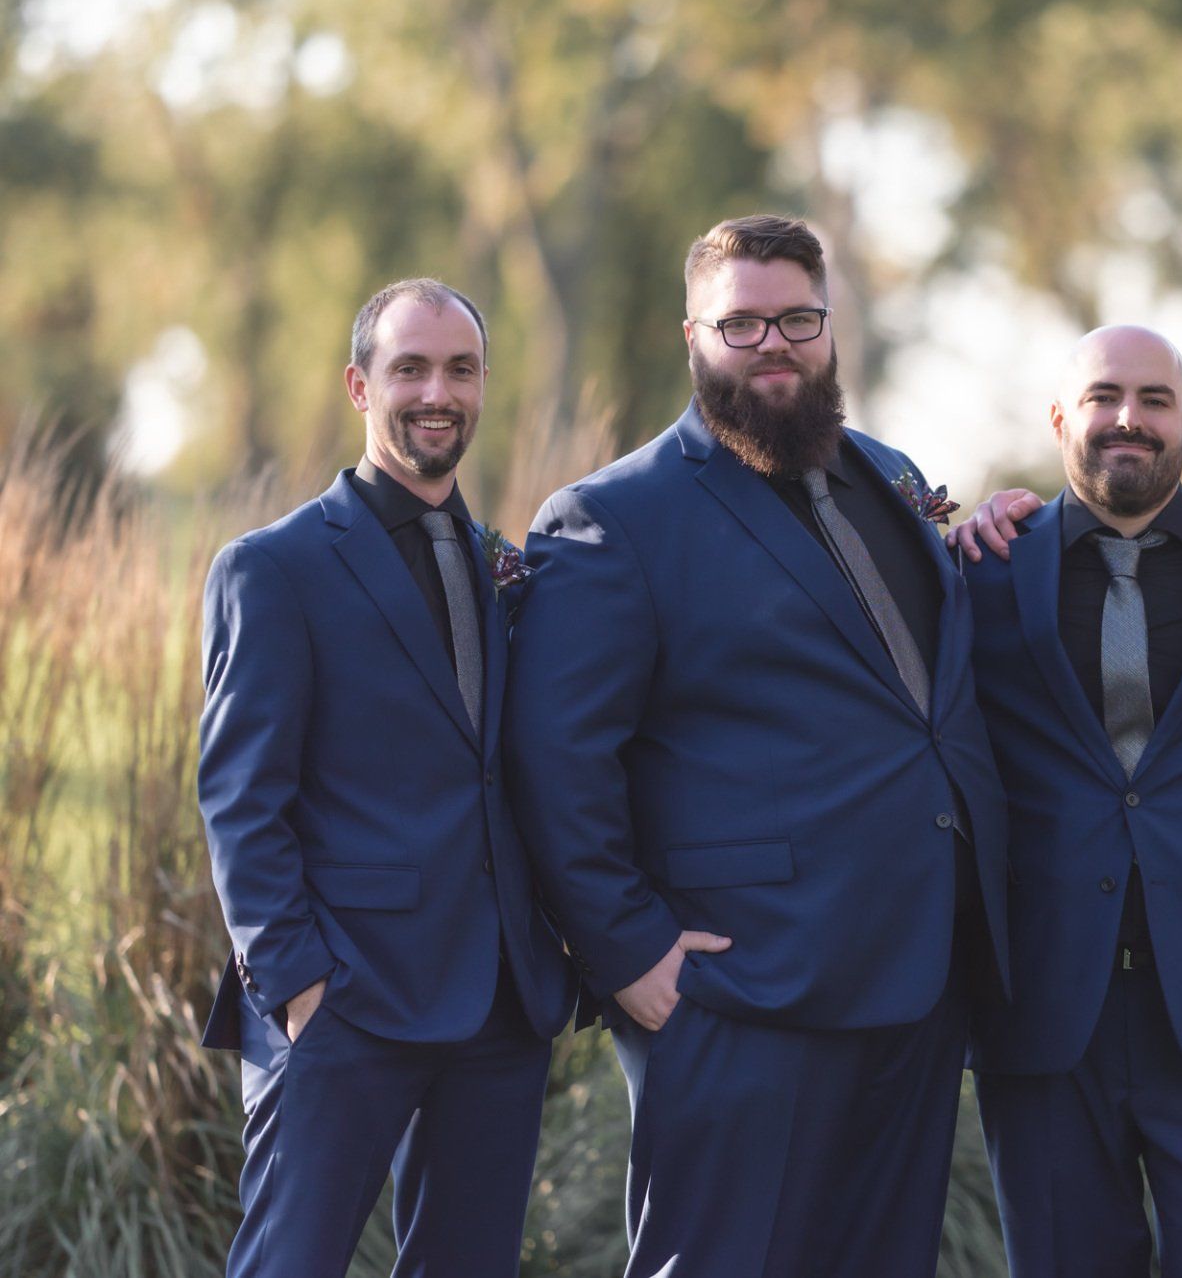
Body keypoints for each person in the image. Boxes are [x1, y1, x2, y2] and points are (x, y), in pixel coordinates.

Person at [503, 214, 1011, 1278]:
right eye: (742, 323)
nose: (773, 342)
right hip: (743, 989)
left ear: (830, 329)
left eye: (796, 318)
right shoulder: (612, 518)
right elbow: (557, 760)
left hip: (918, 977)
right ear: (693, 334)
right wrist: (627, 951)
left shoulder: (893, 476)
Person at [197, 278, 574, 1277]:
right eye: (410, 367)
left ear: (483, 384)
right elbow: (241, 797)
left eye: (459, 369)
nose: (436, 392)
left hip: (499, 1003)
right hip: (344, 1002)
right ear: (360, 386)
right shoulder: (272, 568)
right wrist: (298, 987)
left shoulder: (509, 564)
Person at [965, 324, 1182, 1277]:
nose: (1130, 419)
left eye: (1156, 400)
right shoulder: (977, 573)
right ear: (1060, 420)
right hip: (1043, 1013)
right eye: (1105, 396)